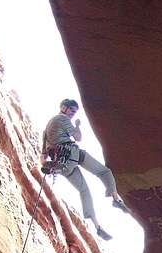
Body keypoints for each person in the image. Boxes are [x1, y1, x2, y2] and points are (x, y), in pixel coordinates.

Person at [40, 98, 129, 241]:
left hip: (63, 163)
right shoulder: (63, 119)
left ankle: (97, 227)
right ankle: (116, 199)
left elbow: (43, 156)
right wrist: (77, 125)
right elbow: (78, 137)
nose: (72, 114)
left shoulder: (46, 129)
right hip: (72, 153)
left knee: (84, 191)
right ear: (64, 107)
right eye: (71, 110)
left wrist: (46, 163)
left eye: (74, 112)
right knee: (104, 172)